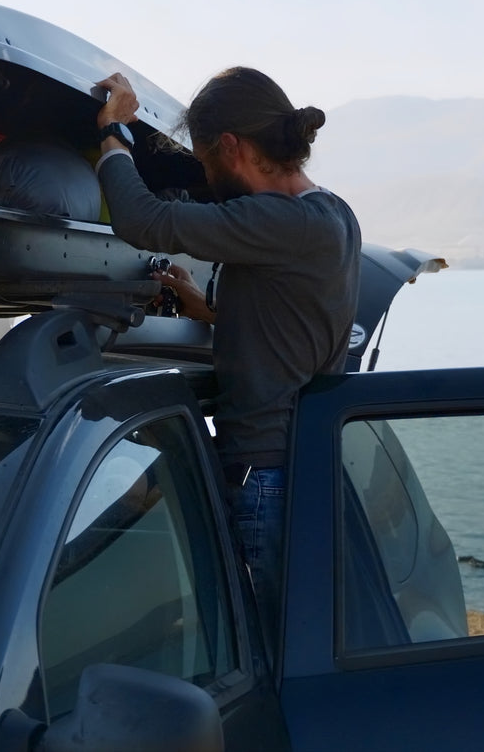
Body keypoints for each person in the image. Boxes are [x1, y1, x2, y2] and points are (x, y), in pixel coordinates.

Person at [92, 67, 362, 647]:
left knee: (276, 653)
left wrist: (114, 136)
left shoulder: (282, 221)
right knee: (288, 645)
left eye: (205, 161)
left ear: (232, 147)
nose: (206, 178)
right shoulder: (333, 214)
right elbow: (292, 321)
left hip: (264, 473)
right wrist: (202, 306)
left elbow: (145, 221)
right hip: (295, 464)